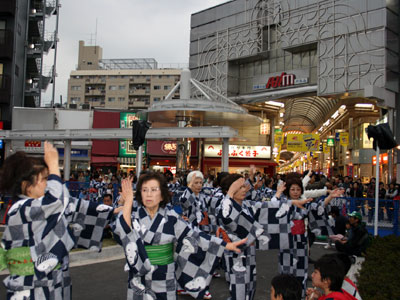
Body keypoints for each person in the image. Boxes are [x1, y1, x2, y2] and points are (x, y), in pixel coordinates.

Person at [0, 142, 113, 300]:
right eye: (44, 179)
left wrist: (114, 211)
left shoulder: (41, 207)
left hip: (53, 279)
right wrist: (53, 163)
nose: (48, 183)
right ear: (27, 186)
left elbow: (70, 205)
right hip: (31, 286)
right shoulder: (21, 210)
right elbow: (59, 201)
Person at [112, 172, 246, 300]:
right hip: (139, 276)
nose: (149, 194)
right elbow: (122, 231)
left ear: (162, 195)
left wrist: (225, 244)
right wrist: (127, 202)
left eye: (154, 190)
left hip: (165, 275)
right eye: (145, 190)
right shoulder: (134, 215)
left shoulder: (171, 217)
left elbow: (195, 236)